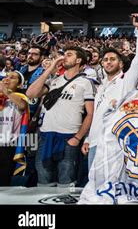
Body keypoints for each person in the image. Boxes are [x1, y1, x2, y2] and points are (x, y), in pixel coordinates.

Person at [82, 14, 138, 169]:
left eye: (112, 59)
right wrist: (87, 138)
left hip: (116, 142)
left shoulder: (126, 80)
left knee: (114, 187)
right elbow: (97, 115)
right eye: (105, 60)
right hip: (95, 142)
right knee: (95, 186)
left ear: (121, 64)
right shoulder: (101, 86)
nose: (108, 62)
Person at [26, 47, 95, 187]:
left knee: (66, 181)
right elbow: (30, 93)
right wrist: (51, 67)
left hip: (69, 137)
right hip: (45, 135)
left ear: (78, 60)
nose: (64, 57)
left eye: (69, 55)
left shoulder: (86, 82)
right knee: (43, 179)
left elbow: (91, 113)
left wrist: (77, 138)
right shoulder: (54, 81)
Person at [0, 71, 28, 185]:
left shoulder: (20, 98)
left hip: (7, 146)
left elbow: (22, 106)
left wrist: (6, 91)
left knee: (3, 182)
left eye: (12, 78)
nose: (7, 79)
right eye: (6, 76)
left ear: (20, 85)